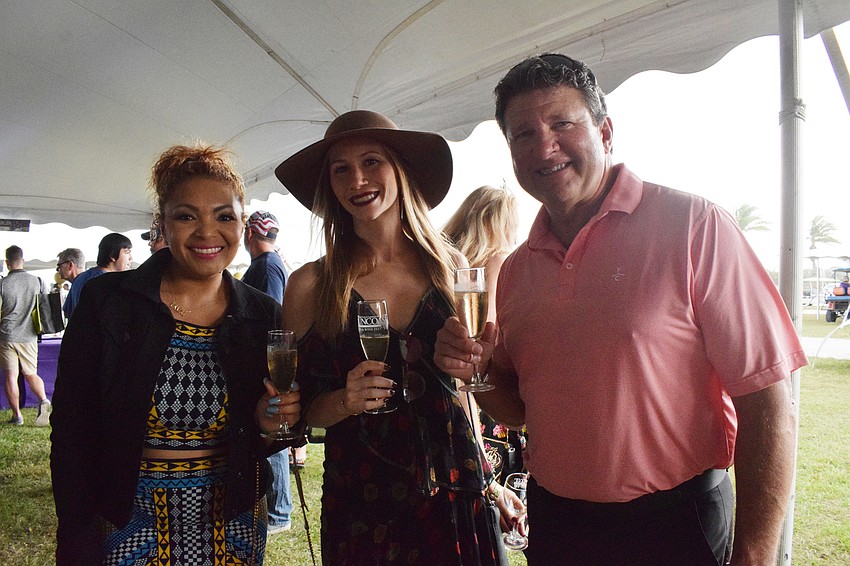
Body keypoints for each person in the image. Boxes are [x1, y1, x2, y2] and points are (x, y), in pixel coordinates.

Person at [434, 53, 807, 566]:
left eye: (562, 123)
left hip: (675, 526)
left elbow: (767, 398)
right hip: (559, 524)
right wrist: (475, 370)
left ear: (605, 132)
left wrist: (756, 556)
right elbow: (520, 410)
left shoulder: (695, 226)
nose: (545, 146)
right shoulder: (518, 269)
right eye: (523, 134)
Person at [50, 143, 303, 565]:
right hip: (130, 514)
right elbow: (72, 428)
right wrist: (75, 530)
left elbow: (272, 435)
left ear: (242, 223)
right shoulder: (107, 302)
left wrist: (270, 424)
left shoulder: (263, 314)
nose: (207, 232)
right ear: (162, 224)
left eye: (224, 216)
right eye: (187, 216)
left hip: (233, 520)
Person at [275, 110, 507, 565]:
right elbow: (292, 410)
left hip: (456, 491)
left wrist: (489, 475)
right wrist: (345, 399)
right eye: (340, 168)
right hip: (364, 504)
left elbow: (468, 389)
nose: (357, 179)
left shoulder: (453, 267)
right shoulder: (310, 285)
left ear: (400, 168)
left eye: (372, 161)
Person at [442, 185, 526, 483]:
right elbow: (484, 336)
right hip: (490, 399)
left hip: (450, 399)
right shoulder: (499, 260)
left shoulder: (444, 264)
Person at [242, 209, 294, 535]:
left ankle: (277, 513)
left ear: (249, 234)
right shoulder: (272, 264)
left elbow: (272, 318)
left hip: (268, 365)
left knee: (273, 433)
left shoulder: (266, 266)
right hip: (272, 364)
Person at [1, 246, 51, 427]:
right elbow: (44, 308)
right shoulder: (37, 280)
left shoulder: (3, 283)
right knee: (30, 373)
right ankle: (44, 399)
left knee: (11, 376)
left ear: (7, 263)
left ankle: (17, 416)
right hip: (29, 335)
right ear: (23, 260)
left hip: (7, 334)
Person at [63, 232, 133, 318]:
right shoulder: (108, 284)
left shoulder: (79, 278)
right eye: (127, 252)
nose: (131, 258)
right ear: (112, 255)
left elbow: (67, 312)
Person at [56, 248, 86, 319]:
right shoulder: (79, 283)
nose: (57, 270)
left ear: (70, 265)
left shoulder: (79, 284)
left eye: (59, 266)